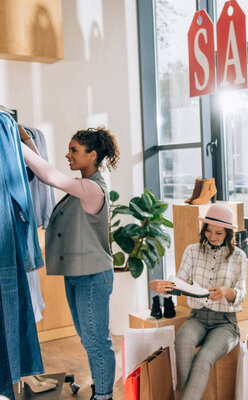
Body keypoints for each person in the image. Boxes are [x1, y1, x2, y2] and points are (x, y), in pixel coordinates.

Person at [19, 126, 119, 400]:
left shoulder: (92, 189)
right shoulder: (83, 186)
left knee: (98, 341)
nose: (68, 155)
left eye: (74, 150)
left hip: (92, 276)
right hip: (79, 274)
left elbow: (49, 176)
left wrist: (20, 141)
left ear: (92, 154)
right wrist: (26, 139)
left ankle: (105, 395)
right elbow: (46, 173)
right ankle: (102, 387)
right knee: (90, 339)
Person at [149, 203, 247, 400]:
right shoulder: (192, 251)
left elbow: (241, 293)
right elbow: (179, 283)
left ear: (228, 233)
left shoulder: (239, 256)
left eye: (219, 233)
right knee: (183, 343)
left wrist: (228, 292)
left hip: (226, 323)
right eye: (208, 231)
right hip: (197, 318)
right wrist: (159, 286)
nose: (212, 237)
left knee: (203, 359)